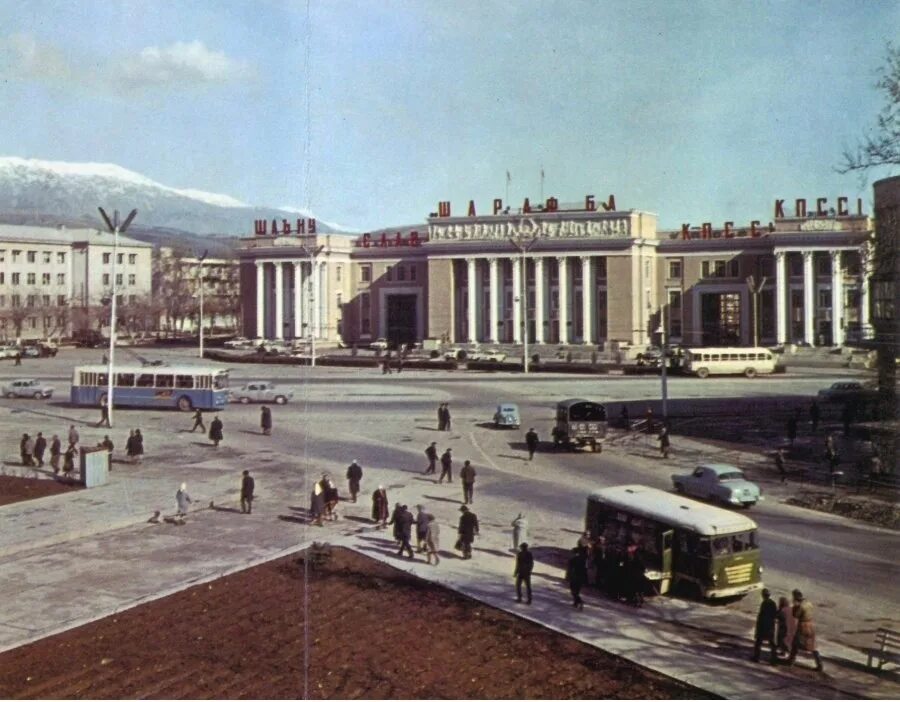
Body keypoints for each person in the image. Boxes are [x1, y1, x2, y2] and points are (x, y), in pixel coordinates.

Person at [788, 589, 823, 671]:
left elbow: (795, 615)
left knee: (795, 643)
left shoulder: (800, 606)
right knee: (813, 646)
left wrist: (794, 606)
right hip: (810, 625)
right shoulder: (808, 603)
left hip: (803, 626)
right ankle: (819, 664)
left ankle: (791, 660)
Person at [752, 588, 778, 664]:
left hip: (763, 626)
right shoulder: (773, 603)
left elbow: (761, 615)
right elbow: (775, 614)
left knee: (758, 642)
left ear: (763, 595)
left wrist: (758, 626)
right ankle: (774, 660)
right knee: (772, 643)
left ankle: (756, 657)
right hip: (770, 625)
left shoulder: (764, 603)